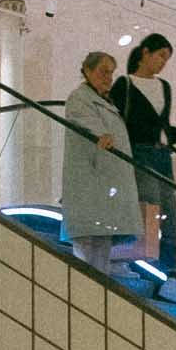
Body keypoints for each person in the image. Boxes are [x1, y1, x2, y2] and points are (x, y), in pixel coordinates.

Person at [59, 50, 141, 277]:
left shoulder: (106, 103)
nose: (108, 78)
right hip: (90, 185)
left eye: (111, 74)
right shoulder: (81, 98)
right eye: (103, 72)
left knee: (100, 248)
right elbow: (86, 123)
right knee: (87, 249)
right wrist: (101, 135)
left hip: (104, 189)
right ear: (87, 70)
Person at [117, 33, 176, 273]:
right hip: (139, 152)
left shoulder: (163, 87)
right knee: (150, 206)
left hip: (162, 155)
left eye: (166, 59)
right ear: (145, 53)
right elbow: (121, 121)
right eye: (160, 56)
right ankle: (143, 263)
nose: (162, 62)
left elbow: (162, 124)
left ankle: (168, 269)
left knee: (169, 212)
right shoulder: (125, 84)